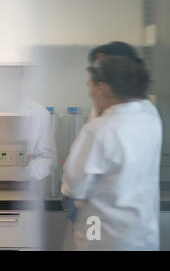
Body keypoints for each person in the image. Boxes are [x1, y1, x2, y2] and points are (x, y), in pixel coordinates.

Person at [61, 51, 162, 250]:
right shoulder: (151, 117)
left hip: (104, 236)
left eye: (90, 86)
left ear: (103, 88)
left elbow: (74, 185)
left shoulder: (99, 129)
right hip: (142, 234)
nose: (90, 93)